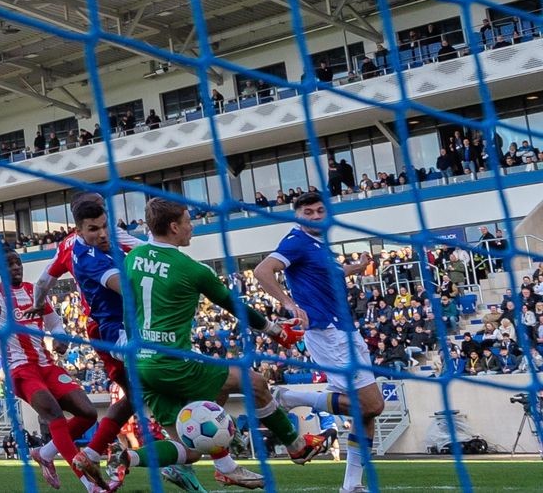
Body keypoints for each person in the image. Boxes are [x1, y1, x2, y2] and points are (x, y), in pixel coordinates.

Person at [110, 197, 322, 491]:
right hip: (172, 361)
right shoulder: (193, 270)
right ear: (173, 227)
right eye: (187, 221)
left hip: (140, 363)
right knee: (255, 383)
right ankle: (297, 446)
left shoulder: (132, 258)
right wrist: (274, 330)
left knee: (188, 446)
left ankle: (127, 458)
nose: (191, 227)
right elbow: (236, 306)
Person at [253, 191, 387, 493]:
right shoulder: (297, 241)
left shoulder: (319, 246)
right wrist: (288, 303)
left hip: (346, 332)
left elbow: (332, 275)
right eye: (308, 212)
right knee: (372, 405)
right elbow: (263, 271)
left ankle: (352, 485)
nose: (315, 217)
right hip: (328, 335)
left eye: (319, 211)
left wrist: (356, 267)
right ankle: (292, 398)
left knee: (365, 413)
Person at [28, 192, 145, 490]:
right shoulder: (92, 249)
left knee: (138, 395)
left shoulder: (71, 244)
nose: (103, 232)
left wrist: (39, 304)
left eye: (105, 221)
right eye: (95, 227)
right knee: (150, 383)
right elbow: (145, 263)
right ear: (79, 226)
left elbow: (43, 282)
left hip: (118, 324)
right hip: (110, 327)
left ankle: (70, 452)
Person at [0, 250, 100, 490]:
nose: (16, 267)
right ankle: (90, 485)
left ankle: (45, 453)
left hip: (46, 364)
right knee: (55, 416)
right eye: (9, 264)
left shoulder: (35, 290)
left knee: (88, 412)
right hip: (19, 369)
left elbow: (55, 323)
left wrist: (60, 339)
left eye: (18, 262)